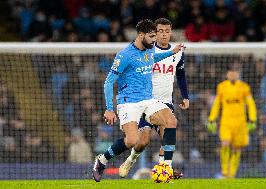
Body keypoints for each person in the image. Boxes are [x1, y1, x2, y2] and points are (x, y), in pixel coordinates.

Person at [92, 19, 184, 182]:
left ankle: (166, 168)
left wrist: (172, 52)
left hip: (148, 101)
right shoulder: (125, 55)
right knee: (133, 141)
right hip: (128, 102)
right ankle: (102, 159)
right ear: (140, 35)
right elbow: (108, 82)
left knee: (171, 121)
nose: (154, 40)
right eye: (151, 36)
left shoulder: (149, 50)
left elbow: (154, 58)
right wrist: (109, 108)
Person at [119, 18, 189, 179]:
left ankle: (165, 170)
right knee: (143, 141)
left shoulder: (177, 52)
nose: (164, 35)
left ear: (171, 32)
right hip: (146, 102)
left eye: (167, 31)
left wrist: (185, 96)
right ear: (155, 33)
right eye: (160, 31)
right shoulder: (147, 51)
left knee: (168, 135)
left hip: (165, 103)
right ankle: (131, 159)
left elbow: (181, 74)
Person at [206, 67, 257, 178]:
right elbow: (217, 104)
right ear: (227, 74)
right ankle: (224, 170)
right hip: (226, 122)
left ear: (238, 74)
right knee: (225, 143)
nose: (233, 75)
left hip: (240, 123)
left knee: (236, 148)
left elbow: (251, 103)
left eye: (235, 73)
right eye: (231, 73)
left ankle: (231, 174)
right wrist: (211, 118)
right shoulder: (222, 87)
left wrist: (252, 119)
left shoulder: (244, 87)